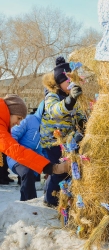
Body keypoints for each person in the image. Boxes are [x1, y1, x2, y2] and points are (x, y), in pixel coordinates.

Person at [40, 56, 86, 207]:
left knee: (67, 170)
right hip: (52, 141)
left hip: (66, 142)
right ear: (59, 82)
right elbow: (55, 111)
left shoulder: (71, 98)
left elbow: (78, 113)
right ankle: (50, 199)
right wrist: (70, 100)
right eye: (68, 80)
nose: (71, 83)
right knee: (58, 170)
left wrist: (83, 122)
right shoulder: (52, 96)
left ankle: (61, 196)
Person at [0, 94, 70, 184]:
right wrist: (50, 167)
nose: (18, 123)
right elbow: (14, 149)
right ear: (10, 112)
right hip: (19, 159)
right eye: (18, 118)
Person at [6, 101, 45, 201]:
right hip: (17, 156)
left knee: (29, 177)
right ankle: (32, 202)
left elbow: (45, 148)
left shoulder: (49, 127)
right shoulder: (29, 120)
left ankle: (25, 203)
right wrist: (18, 153)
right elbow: (13, 136)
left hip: (33, 160)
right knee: (27, 172)